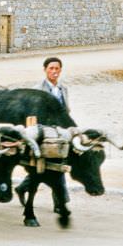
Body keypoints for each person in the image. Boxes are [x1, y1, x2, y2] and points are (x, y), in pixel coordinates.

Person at [15, 56, 70, 211]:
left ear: (60, 70)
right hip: (43, 132)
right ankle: (60, 202)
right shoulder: (37, 89)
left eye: (57, 69)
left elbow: (66, 110)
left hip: (60, 132)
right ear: (45, 70)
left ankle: (23, 188)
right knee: (55, 166)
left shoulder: (63, 89)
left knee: (54, 165)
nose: (54, 71)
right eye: (51, 68)